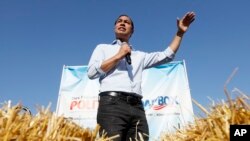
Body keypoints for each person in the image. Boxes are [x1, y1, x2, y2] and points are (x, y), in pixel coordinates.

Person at [87, 12, 195, 141]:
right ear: (115, 27)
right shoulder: (102, 48)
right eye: (119, 21)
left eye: (127, 22)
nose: (122, 23)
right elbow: (92, 73)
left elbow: (167, 55)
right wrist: (118, 55)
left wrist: (180, 32)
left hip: (137, 107)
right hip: (111, 105)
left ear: (132, 31)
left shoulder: (139, 56)